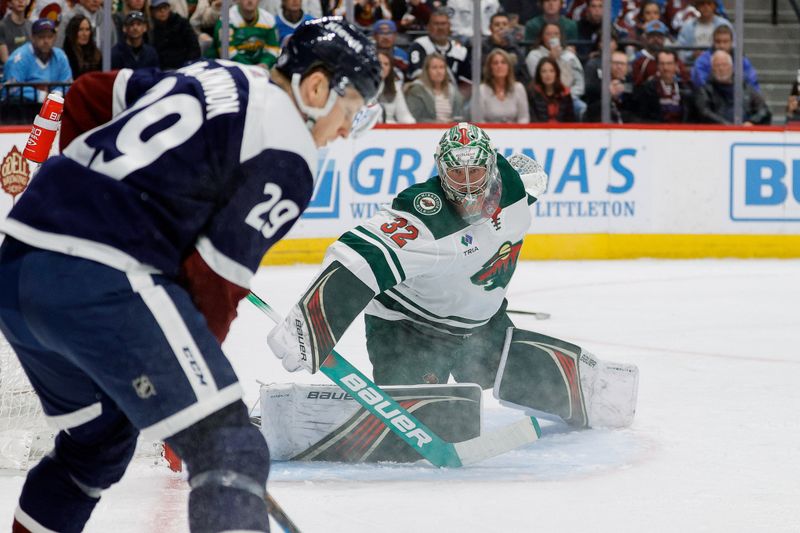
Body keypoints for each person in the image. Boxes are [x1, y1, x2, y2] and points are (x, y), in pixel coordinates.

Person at [0, 17, 381, 533]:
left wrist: (77, 190)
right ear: (317, 87)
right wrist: (191, 404)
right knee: (231, 445)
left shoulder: (217, 73)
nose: (342, 131)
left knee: (95, 449)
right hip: (103, 275)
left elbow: (90, 94)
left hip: (20, 264)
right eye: (350, 112)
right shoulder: (291, 153)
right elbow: (213, 289)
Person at [267, 123, 637, 431]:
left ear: (490, 168)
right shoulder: (425, 216)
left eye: (474, 172)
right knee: (427, 424)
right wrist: (310, 325)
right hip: (411, 330)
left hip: (483, 326)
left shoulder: (515, 189)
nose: (466, 185)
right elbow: (360, 256)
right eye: (455, 174)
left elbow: (530, 174)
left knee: (519, 373)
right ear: (440, 172)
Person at [1, 18, 72, 102]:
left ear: (55, 38)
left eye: (50, 37)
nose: (46, 41)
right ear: (33, 37)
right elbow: (11, 88)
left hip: (53, 107)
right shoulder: (19, 57)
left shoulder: (60, 56)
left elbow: (68, 82)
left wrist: (56, 94)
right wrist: (42, 96)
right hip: (23, 108)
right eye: (41, 37)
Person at [693, 49, 770, 126]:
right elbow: (704, 113)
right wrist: (728, 126)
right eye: (717, 65)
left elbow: (763, 110)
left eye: (724, 65)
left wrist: (752, 122)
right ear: (712, 69)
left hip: (745, 133)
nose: (721, 69)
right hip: (717, 133)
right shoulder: (705, 91)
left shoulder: (745, 88)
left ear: (731, 67)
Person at [524, 23, 584, 116]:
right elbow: (537, 80)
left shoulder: (569, 56)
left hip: (569, 97)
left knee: (581, 107)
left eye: (556, 34)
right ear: (542, 37)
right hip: (542, 98)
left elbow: (579, 83)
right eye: (548, 34)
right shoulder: (534, 55)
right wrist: (551, 59)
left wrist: (568, 96)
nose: (552, 37)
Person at [406, 8, 471, 88]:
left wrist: (457, 99)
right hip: (426, 94)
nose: (440, 28)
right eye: (436, 24)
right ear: (428, 27)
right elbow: (417, 77)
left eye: (443, 24)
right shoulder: (419, 46)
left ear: (449, 27)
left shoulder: (460, 50)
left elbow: (466, 84)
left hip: (452, 95)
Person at [208, 0, 280, 68]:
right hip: (228, 68)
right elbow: (227, 52)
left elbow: (273, 48)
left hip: (259, 69)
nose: (250, 1)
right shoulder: (227, 19)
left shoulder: (268, 19)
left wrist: (265, 63)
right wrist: (251, 68)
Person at [690, 24, 759, 93]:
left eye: (725, 42)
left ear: (731, 42)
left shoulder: (742, 61)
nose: (721, 45)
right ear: (713, 42)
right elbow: (701, 85)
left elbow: (753, 84)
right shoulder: (702, 62)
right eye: (718, 41)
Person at [633, 49, 692, 123]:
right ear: (657, 66)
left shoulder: (686, 87)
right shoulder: (647, 89)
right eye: (662, 64)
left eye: (669, 63)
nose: (665, 68)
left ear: (676, 65)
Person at [405, 52, 465, 123]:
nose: (439, 71)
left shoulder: (453, 91)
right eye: (434, 68)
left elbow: (460, 117)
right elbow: (415, 118)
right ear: (427, 71)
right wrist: (440, 124)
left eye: (442, 67)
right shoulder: (416, 91)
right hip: (426, 132)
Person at [475, 48, 528, 123]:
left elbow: (524, 118)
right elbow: (479, 120)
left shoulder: (518, 88)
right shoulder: (481, 90)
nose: (499, 66)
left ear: (509, 67)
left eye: (503, 62)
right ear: (490, 68)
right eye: (495, 63)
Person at [584, 49, 638, 122]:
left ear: (627, 67)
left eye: (622, 64)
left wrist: (624, 88)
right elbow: (590, 106)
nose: (619, 67)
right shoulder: (598, 82)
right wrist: (608, 92)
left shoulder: (632, 82)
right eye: (615, 63)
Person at [631, 19, 689, 87]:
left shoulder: (672, 58)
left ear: (664, 38)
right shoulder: (638, 59)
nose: (656, 39)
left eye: (659, 36)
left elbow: (685, 80)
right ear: (646, 37)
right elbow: (636, 85)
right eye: (652, 35)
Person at [150, 0, 200, 69]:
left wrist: (188, 64)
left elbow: (194, 46)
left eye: (165, 8)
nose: (162, 11)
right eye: (158, 8)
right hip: (162, 70)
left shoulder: (181, 23)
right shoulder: (150, 29)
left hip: (185, 66)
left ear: (169, 8)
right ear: (152, 11)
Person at [481, 11, 528, 84]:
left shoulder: (515, 47)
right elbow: (483, 71)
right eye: (497, 25)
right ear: (490, 28)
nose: (501, 27)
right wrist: (497, 45)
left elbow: (524, 73)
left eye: (504, 24)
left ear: (509, 27)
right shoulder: (483, 47)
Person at [528, 56, 575, 122]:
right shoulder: (532, 93)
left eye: (551, 71)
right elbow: (532, 119)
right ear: (539, 74)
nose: (548, 75)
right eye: (544, 71)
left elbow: (570, 120)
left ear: (556, 73)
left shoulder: (565, 94)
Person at [377, 49, 415, 123]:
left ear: (390, 68)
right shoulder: (361, 87)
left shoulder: (395, 87)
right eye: (379, 63)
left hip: (390, 128)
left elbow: (404, 115)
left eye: (386, 64)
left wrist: (414, 128)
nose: (382, 66)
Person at [63, 14, 102, 79]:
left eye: (87, 29)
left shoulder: (96, 53)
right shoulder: (66, 54)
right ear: (73, 32)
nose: (85, 34)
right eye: (80, 30)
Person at [0, 0, 32, 64]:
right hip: (8, 70)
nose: (20, 1)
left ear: (28, 2)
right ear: (9, 3)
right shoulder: (2, 27)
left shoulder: (31, 26)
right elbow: (5, 60)